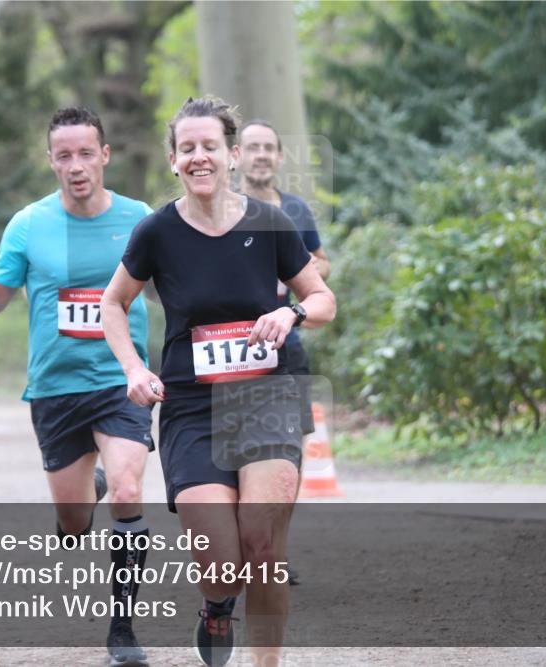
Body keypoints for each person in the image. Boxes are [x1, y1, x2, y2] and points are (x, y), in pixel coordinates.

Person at [101, 96, 336, 667]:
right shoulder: (157, 231)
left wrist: (291, 314)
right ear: (173, 160)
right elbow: (113, 303)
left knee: (262, 543)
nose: (199, 156)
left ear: (232, 155)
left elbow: (323, 297)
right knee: (222, 560)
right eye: (188, 148)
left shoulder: (271, 222)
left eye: (211, 146)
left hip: (267, 394)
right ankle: (215, 606)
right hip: (192, 406)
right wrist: (134, 367)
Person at [0, 107, 154, 667]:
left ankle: (124, 631)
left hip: (119, 379)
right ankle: (87, 489)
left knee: (129, 491)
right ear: (51, 161)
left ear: (105, 155)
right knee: (75, 521)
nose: (76, 166)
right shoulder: (28, 224)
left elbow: (179, 288)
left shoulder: (141, 219)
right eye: (65, 155)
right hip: (56, 389)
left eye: (86, 153)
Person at [237, 120, 332, 586]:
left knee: (289, 457)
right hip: (231, 352)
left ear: (278, 158)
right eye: (251, 147)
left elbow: (321, 260)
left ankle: (277, 552)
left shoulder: (294, 209)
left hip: (287, 351)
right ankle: (244, 545)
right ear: (237, 155)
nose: (259, 155)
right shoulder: (226, 210)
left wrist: (294, 278)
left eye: (267, 148)